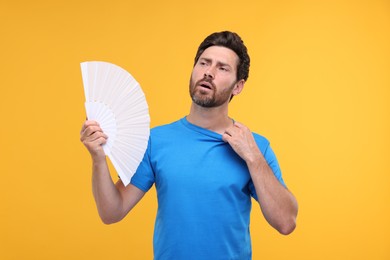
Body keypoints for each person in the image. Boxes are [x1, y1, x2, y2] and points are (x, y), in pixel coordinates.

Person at [80, 31, 298, 260]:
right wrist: (98, 158)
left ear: (238, 86)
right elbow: (112, 212)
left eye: (222, 68)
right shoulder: (156, 141)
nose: (209, 72)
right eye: (204, 63)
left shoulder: (255, 147)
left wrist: (253, 157)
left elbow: (286, 222)